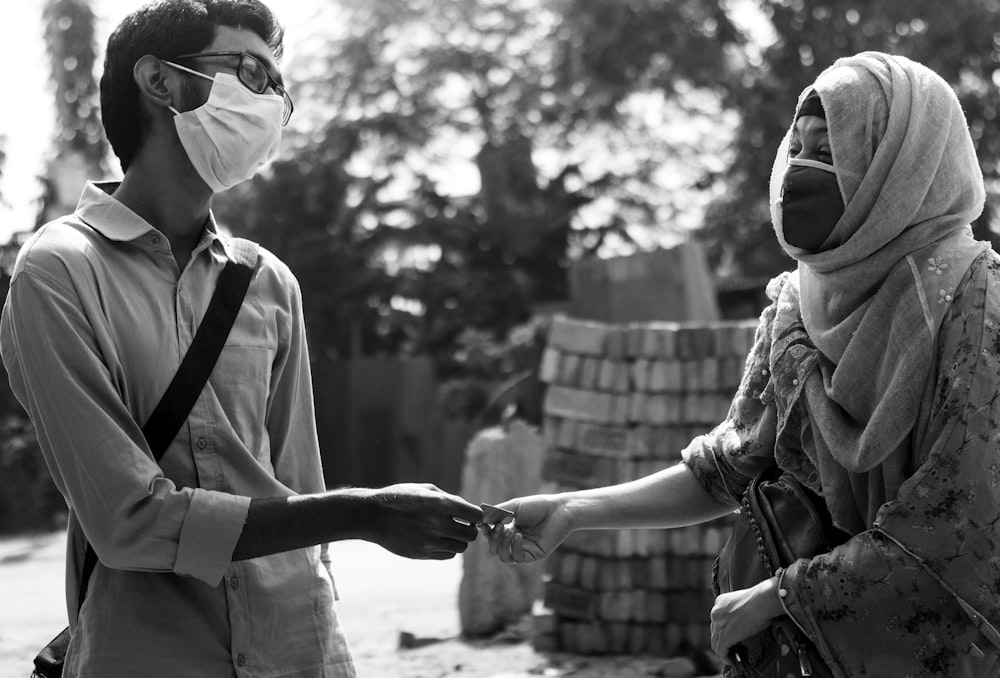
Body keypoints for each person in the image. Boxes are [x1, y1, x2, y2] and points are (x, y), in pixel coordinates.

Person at [0, 1, 483, 676]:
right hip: (151, 655)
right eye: (252, 71)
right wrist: (362, 513)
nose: (273, 102)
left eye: (281, 88)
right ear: (160, 82)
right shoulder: (58, 272)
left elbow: (294, 484)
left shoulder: (269, 283)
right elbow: (127, 520)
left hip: (299, 647)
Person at [485, 51, 1000, 676]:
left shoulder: (975, 303)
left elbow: (962, 523)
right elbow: (728, 466)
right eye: (801, 147)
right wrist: (572, 511)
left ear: (903, 169)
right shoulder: (794, 307)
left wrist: (783, 594)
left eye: (833, 152)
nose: (803, 171)